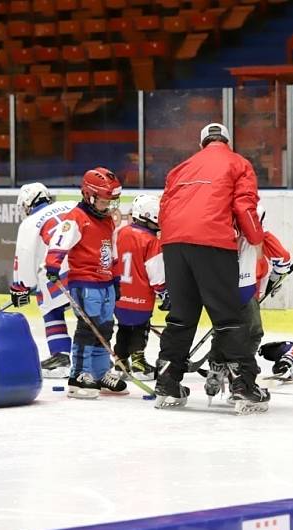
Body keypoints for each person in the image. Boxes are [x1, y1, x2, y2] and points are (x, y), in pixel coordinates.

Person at [156, 122, 268, 414]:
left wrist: (170, 245)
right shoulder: (238, 163)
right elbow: (244, 208)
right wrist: (257, 239)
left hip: (174, 244)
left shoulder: (180, 168)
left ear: (201, 143)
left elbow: (164, 210)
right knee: (228, 317)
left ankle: (167, 381)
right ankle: (243, 385)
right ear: (228, 141)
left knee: (180, 316)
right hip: (213, 242)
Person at [44, 168, 127, 399]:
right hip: (85, 282)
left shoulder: (108, 220)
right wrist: (53, 265)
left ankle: (100, 373)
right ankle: (78, 375)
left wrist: (116, 278)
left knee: (105, 328)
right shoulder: (76, 218)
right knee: (88, 328)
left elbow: (113, 251)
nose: (109, 206)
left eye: (112, 201)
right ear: (89, 196)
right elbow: (59, 241)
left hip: (106, 282)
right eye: (104, 201)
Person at [202, 204, 290, 403]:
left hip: (222, 293)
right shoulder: (263, 236)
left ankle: (217, 366)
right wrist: (275, 280)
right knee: (251, 333)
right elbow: (283, 260)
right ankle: (242, 380)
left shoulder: (223, 232)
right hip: (247, 293)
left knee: (224, 330)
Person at [10, 182, 76, 378]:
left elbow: (24, 257)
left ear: (28, 203)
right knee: (87, 312)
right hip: (88, 267)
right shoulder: (72, 204)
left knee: (49, 307)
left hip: (58, 271)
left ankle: (60, 358)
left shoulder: (30, 223)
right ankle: (93, 359)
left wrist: (22, 286)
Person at [113, 194, 169, 381]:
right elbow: (156, 272)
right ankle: (138, 364)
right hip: (141, 297)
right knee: (140, 328)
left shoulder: (121, 232)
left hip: (120, 295)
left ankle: (120, 363)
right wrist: (163, 292)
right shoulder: (152, 241)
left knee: (123, 328)